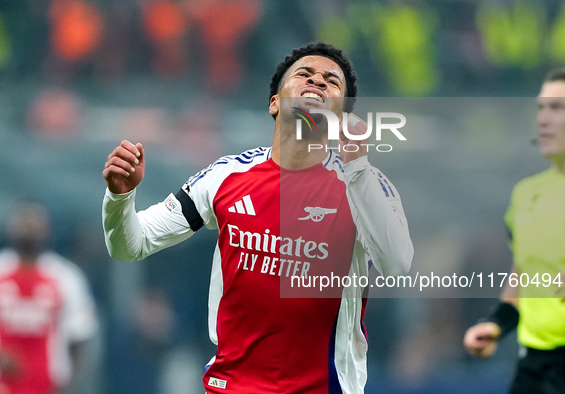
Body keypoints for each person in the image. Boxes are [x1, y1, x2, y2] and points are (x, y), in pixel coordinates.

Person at [102, 42, 413, 393]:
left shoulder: (366, 185)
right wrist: (120, 197)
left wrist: (358, 170)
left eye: (331, 82)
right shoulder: (225, 177)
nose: (318, 83)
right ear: (274, 103)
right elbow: (130, 245)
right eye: (304, 75)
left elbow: (397, 265)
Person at [463, 68, 565, 393]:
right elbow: (523, 277)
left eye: (557, 108)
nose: (543, 118)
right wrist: (495, 324)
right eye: (541, 108)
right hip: (535, 369)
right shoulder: (526, 195)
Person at [0, 202, 98, 394]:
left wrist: (69, 385)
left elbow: (80, 337)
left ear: (48, 230)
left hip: (48, 386)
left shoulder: (66, 278)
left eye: (35, 224)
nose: (29, 229)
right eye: (23, 223)